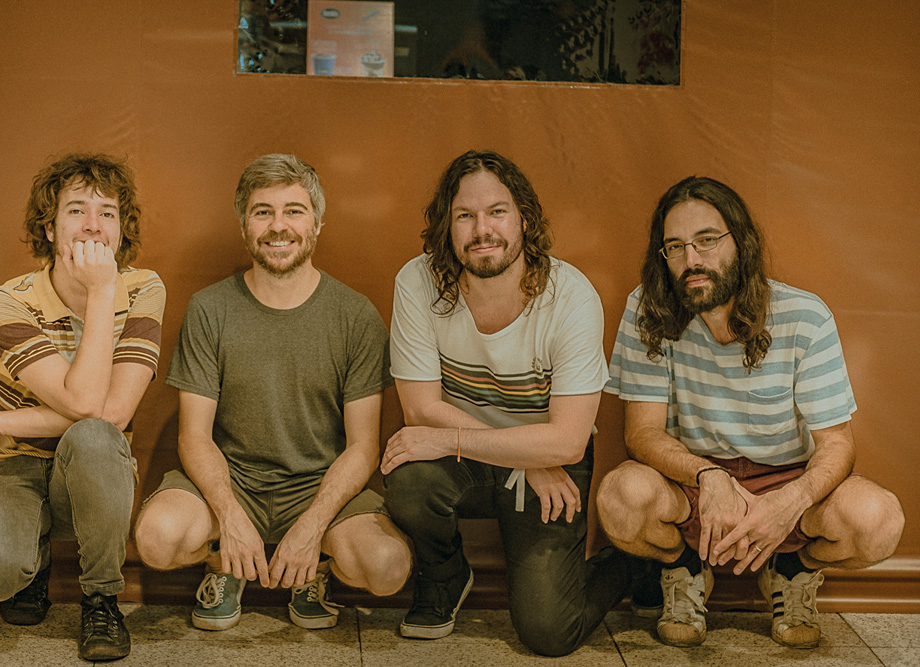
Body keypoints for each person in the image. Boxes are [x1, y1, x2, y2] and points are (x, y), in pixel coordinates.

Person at [597, 176, 905, 649]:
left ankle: (790, 573)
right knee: (620, 498)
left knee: (878, 520)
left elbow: (838, 444)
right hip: (693, 485)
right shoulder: (650, 308)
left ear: (740, 242)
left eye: (706, 240)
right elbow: (641, 433)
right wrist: (708, 477)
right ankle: (684, 571)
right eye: (675, 247)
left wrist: (791, 500)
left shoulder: (805, 316)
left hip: (787, 482)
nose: (691, 260)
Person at [133, 153, 411, 632]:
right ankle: (223, 565)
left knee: (388, 568)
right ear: (245, 225)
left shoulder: (355, 316)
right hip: (231, 477)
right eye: (263, 211)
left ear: (317, 224)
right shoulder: (211, 308)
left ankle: (314, 571)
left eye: (294, 211)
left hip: (319, 485)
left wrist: (313, 524)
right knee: (156, 540)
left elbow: (363, 445)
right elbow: (194, 436)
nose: (278, 226)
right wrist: (230, 515)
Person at [382, 149, 641, 657]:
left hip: (549, 461)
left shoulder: (571, 298)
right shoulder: (417, 282)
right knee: (409, 480)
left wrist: (541, 458)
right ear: (447, 226)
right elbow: (420, 410)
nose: (483, 229)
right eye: (465, 215)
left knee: (549, 633)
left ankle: (632, 564)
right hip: (477, 459)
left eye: (497, 211)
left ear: (524, 217)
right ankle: (445, 576)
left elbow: (567, 440)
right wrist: (526, 457)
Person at [0, 153, 166, 661]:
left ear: (120, 229)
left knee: (94, 435)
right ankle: (32, 559)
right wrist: (100, 293)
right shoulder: (8, 302)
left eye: (107, 212)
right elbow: (86, 400)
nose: (93, 224)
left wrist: (2, 419)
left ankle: (101, 598)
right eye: (76, 210)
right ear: (49, 228)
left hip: (93, 464)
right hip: (17, 461)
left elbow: (106, 413)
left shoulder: (142, 288)